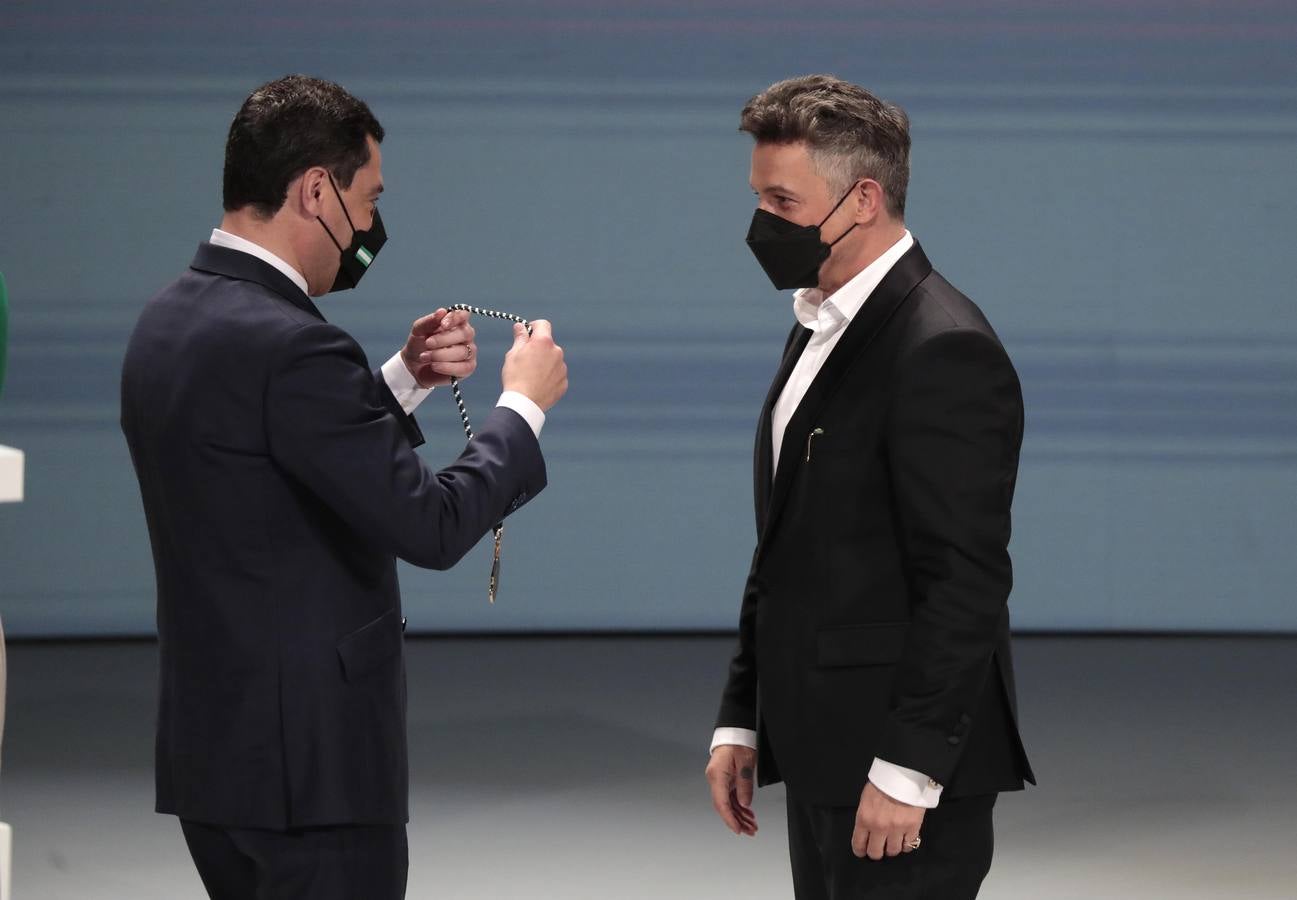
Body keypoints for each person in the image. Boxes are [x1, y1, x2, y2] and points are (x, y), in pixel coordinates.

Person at [120, 74, 567, 900]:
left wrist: (400, 379)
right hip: (312, 773)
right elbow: (430, 525)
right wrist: (521, 408)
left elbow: (271, 460)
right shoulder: (291, 346)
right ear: (316, 189)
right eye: (368, 200)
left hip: (216, 761)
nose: (370, 228)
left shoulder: (167, 321)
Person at [705, 75, 1034, 899]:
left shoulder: (941, 348)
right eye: (758, 197)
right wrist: (742, 715)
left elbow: (965, 580)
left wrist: (908, 768)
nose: (760, 223)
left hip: (896, 780)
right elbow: (786, 544)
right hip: (823, 755)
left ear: (861, 198)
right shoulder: (819, 322)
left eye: (781, 200)